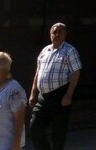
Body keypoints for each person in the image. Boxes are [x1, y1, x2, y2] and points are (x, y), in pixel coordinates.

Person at [28, 22, 82, 150]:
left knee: (58, 135)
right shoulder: (44, 51)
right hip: (43, 97)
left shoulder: (70, 50)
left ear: (65, 34)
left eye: (60, 32)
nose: (56, 34)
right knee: (35, 128)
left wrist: (68, 95)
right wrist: (33, 93)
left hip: (60, 96)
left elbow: (76, 73)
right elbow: (38, 73)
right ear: (50, 34)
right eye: (54, 32)